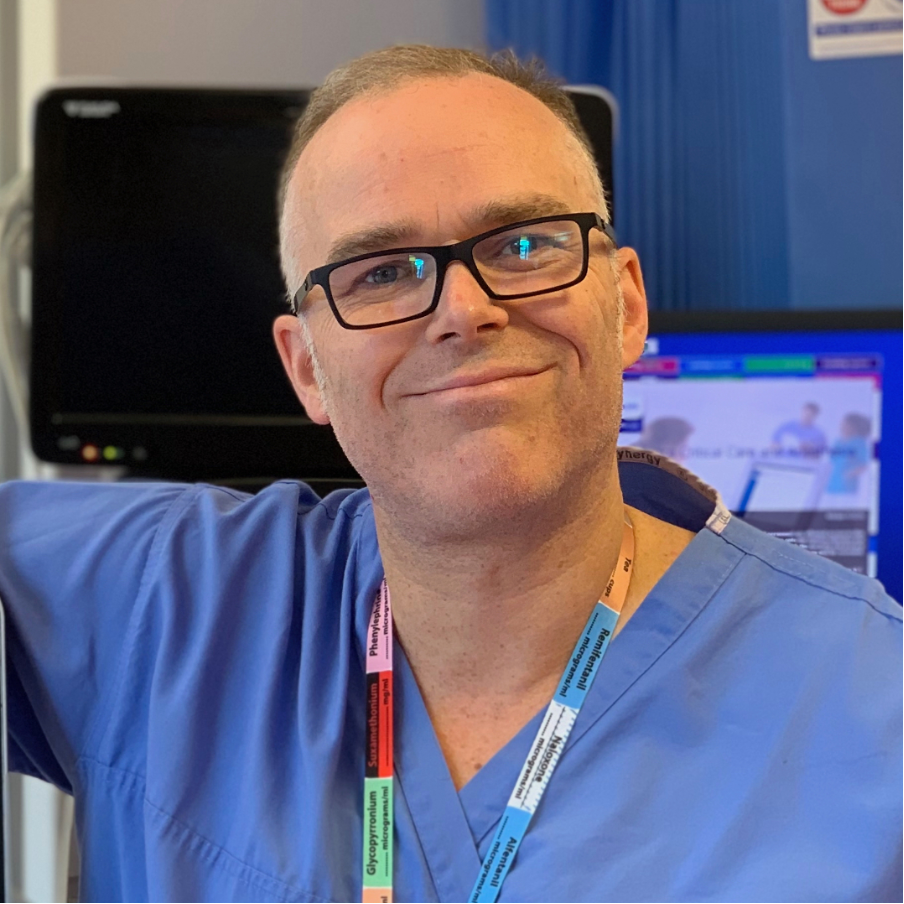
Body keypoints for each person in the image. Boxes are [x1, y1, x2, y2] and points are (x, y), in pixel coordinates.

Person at [1, 46, 900, 904]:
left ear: (625, 303)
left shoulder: (871, 702)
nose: (465, 312)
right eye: (383, 271)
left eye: (523, 246)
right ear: (307, 368)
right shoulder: (161, 605)